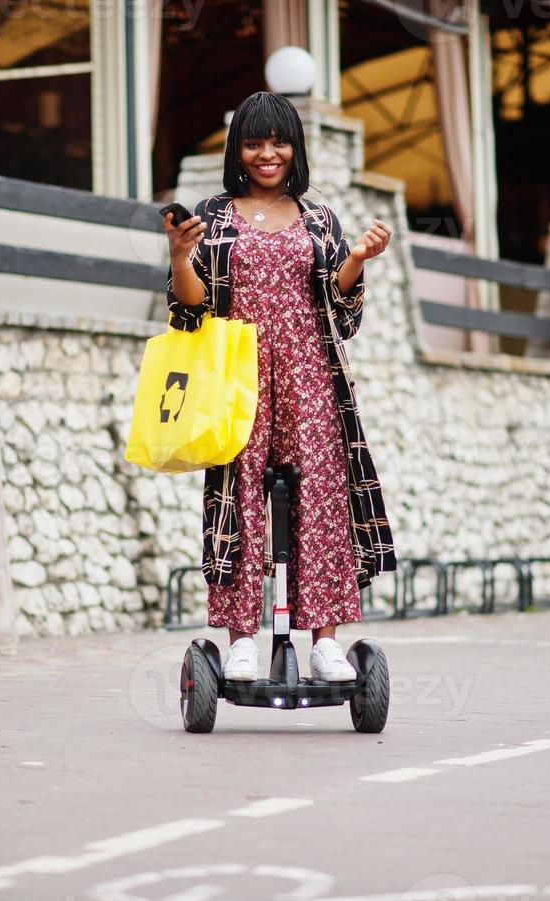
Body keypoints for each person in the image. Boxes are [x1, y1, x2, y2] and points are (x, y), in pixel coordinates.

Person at [162, 91, 396, 684]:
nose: (267, 154)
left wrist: (359, 258)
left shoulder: (319, 218)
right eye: (254, 142)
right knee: (239, 499)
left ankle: (325, 641)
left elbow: (340, 310)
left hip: (311, 373)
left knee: (322, 499)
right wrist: (179, 257)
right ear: (237, 149)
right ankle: (242, 638)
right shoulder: (213, 217)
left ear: (295, 148)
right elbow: (191, 310)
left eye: (279, 142)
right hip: (234, 377)